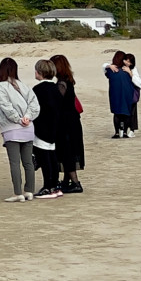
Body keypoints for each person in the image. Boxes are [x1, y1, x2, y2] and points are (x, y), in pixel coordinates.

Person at [0, 57, 36, 200]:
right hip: (28, 128)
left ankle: (18, 193)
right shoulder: (24, 86)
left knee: (15, 162)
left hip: (12, 128)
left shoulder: (0, 86)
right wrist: (27, 117)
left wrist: (18, 119)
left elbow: (6, 107)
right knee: (28, 161)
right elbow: (34, 105)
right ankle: (29, 190)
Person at [47, 53, 85, 192]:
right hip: (72, 121)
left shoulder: (62, 83)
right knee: (68, 151)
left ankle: (75, 183)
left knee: (66, 152)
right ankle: (67, 181)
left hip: (66, 123)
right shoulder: (68, 80)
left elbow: (58, 103)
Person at [29, 60, 67, 198]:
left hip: (42, 127)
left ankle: (48, 186)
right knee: (52, 155)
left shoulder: (38, 89)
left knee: (45, 157)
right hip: (54, 128)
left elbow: (34, 109)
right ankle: (55, 186)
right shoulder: (56, 89)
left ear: (40, 72)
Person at [104, 53, 137, 138]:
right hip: (127, 92)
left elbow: (105, 71)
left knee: (117, 113)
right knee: (126, 113)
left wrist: (109, 65)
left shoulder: (111, 70)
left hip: (114, 93)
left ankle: (117, 133)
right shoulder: (127, 70)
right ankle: (125, 132)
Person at [126, 53, 141, 134]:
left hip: (132, 93)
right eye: (126, 60)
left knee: (133, 112)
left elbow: (138, 82)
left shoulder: (133, 70)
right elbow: (105, 66)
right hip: (124, 93)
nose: (127, 63)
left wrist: (130, 73)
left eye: (129, 62)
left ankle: (132, 130)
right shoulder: (120, 67)